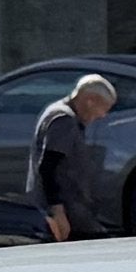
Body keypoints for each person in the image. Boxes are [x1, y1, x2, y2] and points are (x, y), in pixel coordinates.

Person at [29, 69, 119, 239]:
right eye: (104, 109)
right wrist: (58, 211)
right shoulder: (64, 121)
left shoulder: (58, 113)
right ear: (90, 101)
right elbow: (48, 167)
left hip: (70, 211)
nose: (103, 116)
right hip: (68, 214)